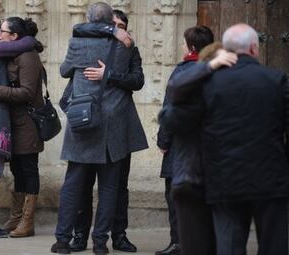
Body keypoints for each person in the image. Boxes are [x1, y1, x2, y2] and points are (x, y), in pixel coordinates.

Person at [165, 23, 289, 255]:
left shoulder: (210, 83)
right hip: (271, 180)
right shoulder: (276, 80)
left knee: (229, 247)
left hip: (224, 179)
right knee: (275, 246)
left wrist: (206, 68)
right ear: (254, 48)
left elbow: (173, 115)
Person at [51, 2, 148, 254]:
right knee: (108, 188)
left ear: (88, 19)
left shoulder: (77, 43)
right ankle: (100, 243)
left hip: (83, 121)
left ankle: (62, 240)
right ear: (108, 23)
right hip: (112, 125)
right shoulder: (126, 44)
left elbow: (63, 71)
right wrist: (115, 33)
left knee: (73, 184)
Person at [0, 17, 44, 238]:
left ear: (14, 36)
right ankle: (16, 218)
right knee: (17, 171)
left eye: (2, 32)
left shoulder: (28, 56)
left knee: (28, 170)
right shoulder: (11, 52)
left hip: (27, 124)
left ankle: (27, 221)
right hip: (12, 124)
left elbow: (26, 92)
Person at [156, 25, 215, 255]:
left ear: (191, 47)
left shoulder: (183, 72)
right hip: (209, 149)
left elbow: (169, 108)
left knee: (176, 200)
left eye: (183, 43)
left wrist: (163, 141)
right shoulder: (215, 70)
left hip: (182, 148)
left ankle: (179, 243)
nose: (181, 46)